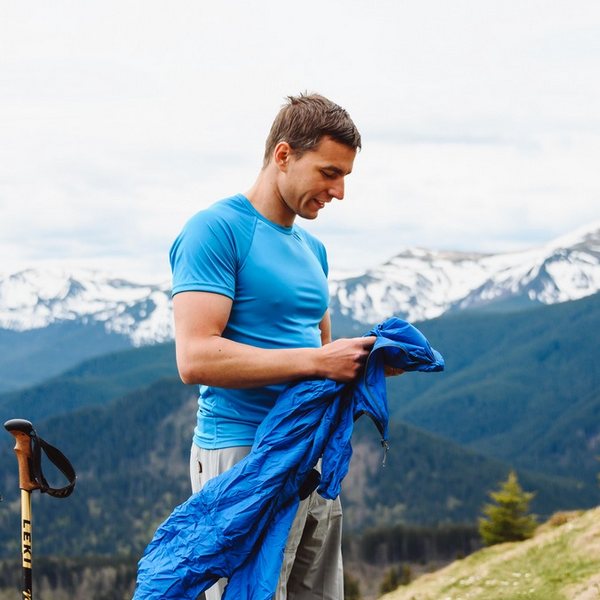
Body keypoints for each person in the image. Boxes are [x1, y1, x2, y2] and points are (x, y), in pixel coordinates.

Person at [169, 93, 376, 599]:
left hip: (310, 454)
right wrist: (320, 361)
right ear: (283, 155)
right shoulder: (215, 230)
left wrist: (363, 364)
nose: (339, 191)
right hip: (243, 456)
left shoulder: (313, 249)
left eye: (345, 176)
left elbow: (321, 351)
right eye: (329, 172)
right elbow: (195, 358)